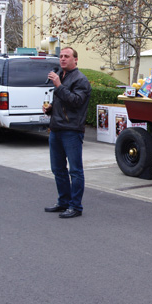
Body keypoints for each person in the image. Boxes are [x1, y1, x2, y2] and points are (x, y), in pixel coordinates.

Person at [43, 47, 91, 219]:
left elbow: (76, 102)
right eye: (61, 56)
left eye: (67, 56)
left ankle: (75, 206)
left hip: (71, 130)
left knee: (75, 170)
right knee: (58, 169)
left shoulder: (81, 80)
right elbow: (63, 103)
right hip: (56, 128)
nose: (62, 59)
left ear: (75, 60)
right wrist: (50, 110)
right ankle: (63, 201)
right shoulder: (62, 77)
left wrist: (58, 85)